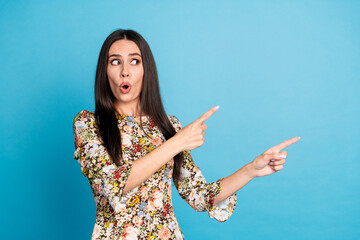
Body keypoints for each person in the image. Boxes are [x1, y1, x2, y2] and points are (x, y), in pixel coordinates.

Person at [72, 29, 300, 240]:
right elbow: (111, 184)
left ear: (146, 70)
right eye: (115, 62)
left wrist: (251, 169)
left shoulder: (168, 125)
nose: (125, 71)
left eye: (135, 61)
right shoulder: (88, 124)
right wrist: (175, 143)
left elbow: (199, 196)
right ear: (105, 71)